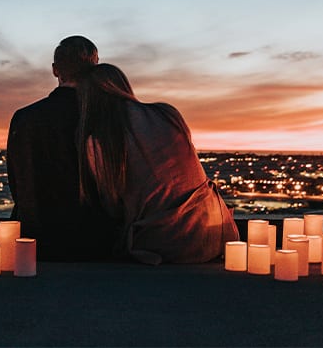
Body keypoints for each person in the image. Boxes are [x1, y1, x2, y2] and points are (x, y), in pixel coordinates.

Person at [76, 63, 238, 265]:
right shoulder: (167, 113)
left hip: (166, 243)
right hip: (217, 232)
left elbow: (112, 207)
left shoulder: (99, 142)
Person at [6, 36, 116, 260]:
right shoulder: (106, 118)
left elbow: (18, 185)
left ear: (55, 70)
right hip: (93, 242)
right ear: (95, 68)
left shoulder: (24, 118)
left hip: (35, 240)